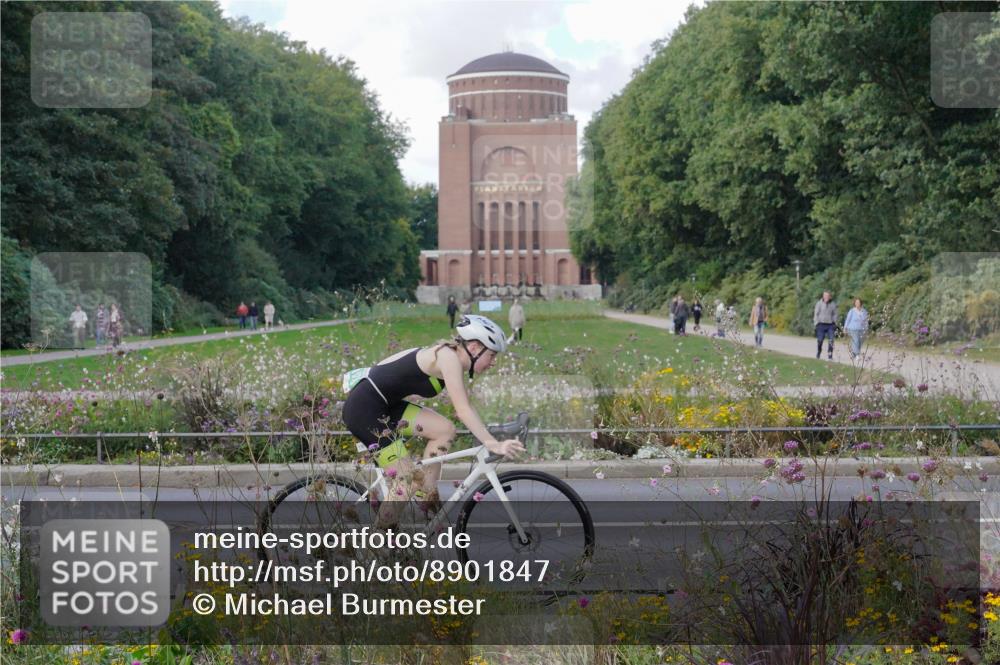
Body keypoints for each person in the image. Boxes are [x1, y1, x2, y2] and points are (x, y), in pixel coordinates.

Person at [341, 315, 525, 528]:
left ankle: (425, 500)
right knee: (407, 479)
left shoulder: (447, 354)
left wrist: (488, 436)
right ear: (474, 347)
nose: (493, 362)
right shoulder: (448, 358)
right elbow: (463, 410)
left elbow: (465, 404)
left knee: (444, 429)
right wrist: (492, 443)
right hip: (364, 409)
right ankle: (375, 544)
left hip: (385, 406)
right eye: (492, 355)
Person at [813, 291, 838, 359]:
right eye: (825, 296)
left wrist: (835, 322)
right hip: (821, 324)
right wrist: (816, 323)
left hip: (830, 325)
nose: (826, 297)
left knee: (831, 340)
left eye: (828, 296)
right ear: (823, 296)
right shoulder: (819, 303)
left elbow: (835, 314)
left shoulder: (833, 304)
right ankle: (819, 351)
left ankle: (830, 355)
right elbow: (816, 314)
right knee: (820, 340)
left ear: (830, 297)